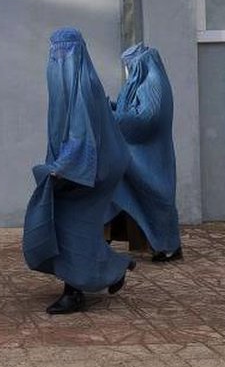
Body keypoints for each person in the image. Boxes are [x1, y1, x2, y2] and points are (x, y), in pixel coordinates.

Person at [23, 28, 135, 315]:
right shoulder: (71, 83)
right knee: (75, 223)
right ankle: (113, 267)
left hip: (95, 166)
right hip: (90, 163)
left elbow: (81, 135)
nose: (59, 58)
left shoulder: (82, 85)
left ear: (78, 53)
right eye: (55, 52)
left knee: (71, 223)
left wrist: (63, 167)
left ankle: (74, 291)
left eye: (65, 51)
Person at [108, 43, 182, 262]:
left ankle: (168, 246)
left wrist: (113, 118)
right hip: (137, 153)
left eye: (130, 65)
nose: (128, 69)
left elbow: (146, 120)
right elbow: (130, 109)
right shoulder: (141, 82)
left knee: (157, 198)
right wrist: (110, 107)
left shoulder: (153, 83)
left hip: (149, 156)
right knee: (122, 193)